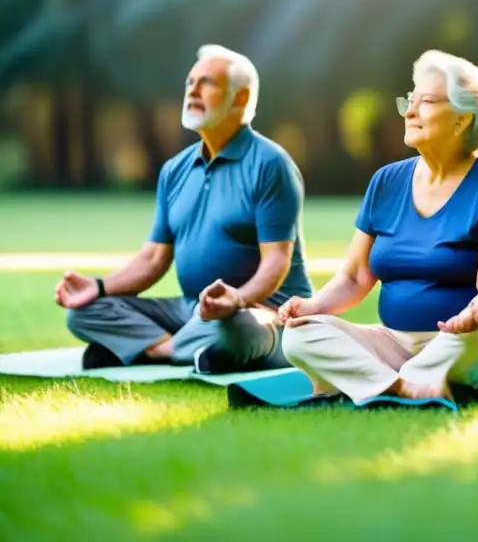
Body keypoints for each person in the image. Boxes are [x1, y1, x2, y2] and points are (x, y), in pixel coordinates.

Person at [279, 49, 478, 403]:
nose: (410, 111)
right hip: (397, 344)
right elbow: (356, 277)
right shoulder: (386, 182)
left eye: (425, 102)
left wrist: (475, 314)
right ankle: (402, 386)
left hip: (476, 340)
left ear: (462, 119)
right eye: (410, 100)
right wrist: (311, 307)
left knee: (470, 342)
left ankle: (380, 382)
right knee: (299, 335)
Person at [55, 44, 313, 373]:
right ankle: (182, 350)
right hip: (191, 310)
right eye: (190, 82)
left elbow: (276, 261)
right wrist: (99, 287)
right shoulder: (175, 170)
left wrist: (237, 300)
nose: (193, 90)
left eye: (208, 83)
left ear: (241, 98)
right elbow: (153, 258)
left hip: (262, 309)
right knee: (84, 312)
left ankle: (153, 349)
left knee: (240, 330)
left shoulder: (270, 163)